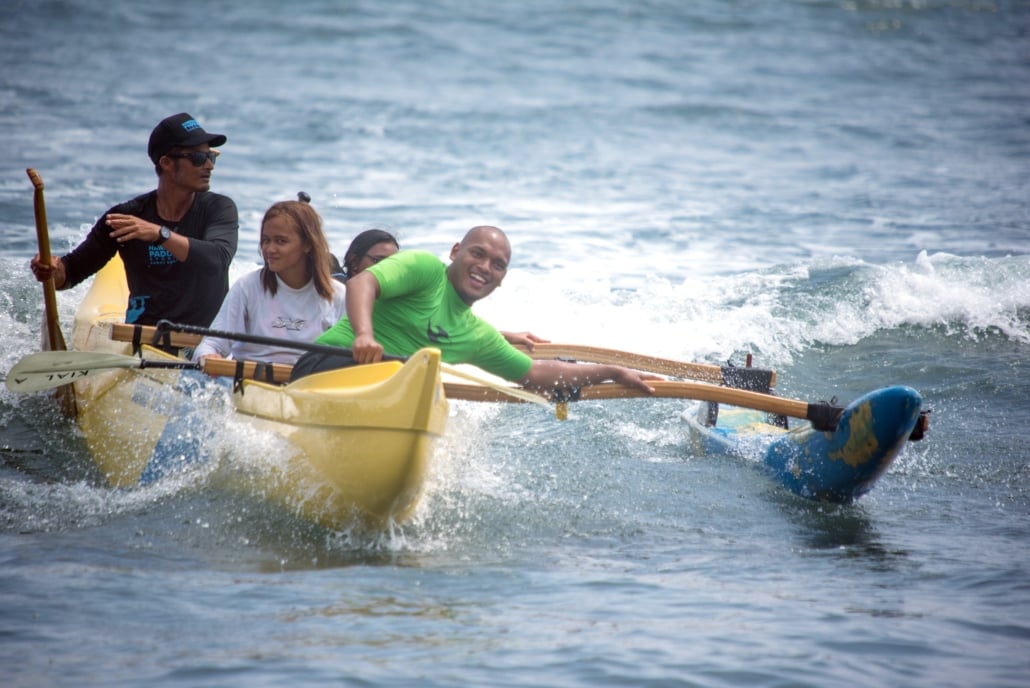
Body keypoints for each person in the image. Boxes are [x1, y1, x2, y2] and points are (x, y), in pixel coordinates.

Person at [290, 225, 659, 397]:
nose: (485, 267)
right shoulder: (424, 269)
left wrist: (611, 372)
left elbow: (535, 374)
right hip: (325, 366)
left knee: (416, 380)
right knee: (414, 376)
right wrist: (364, 335)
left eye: (497, 265)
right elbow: (361, 284)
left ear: (502, 279)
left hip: (389, 393)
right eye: (477, 253)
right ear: (455, 251)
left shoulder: (477, 335)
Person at [29, 112, 238, 327]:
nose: (209, 166)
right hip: (145, 342)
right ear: (166, 162)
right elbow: (71, 272)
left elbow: (218, 260)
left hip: (208, 344)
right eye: (198, 158)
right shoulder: (127, 219)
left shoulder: (219, 208)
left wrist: (160, 234)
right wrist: (51, 270)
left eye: (210, 156)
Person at [332, 228, 549, 351]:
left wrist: (505, 337)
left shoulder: (398, 297)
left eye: (394, 261)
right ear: (354, 261)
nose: (389, 268)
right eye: (379, 260)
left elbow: (435, 329)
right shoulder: (335, 291)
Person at [193, 200, 345, 365]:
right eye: (266, 240)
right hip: (248, 383)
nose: (269, 249)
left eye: (280, 241)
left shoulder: (338, 295)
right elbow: (211, 344)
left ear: (308, 244)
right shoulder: (247, 287)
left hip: (305, 382)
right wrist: (207, 357)